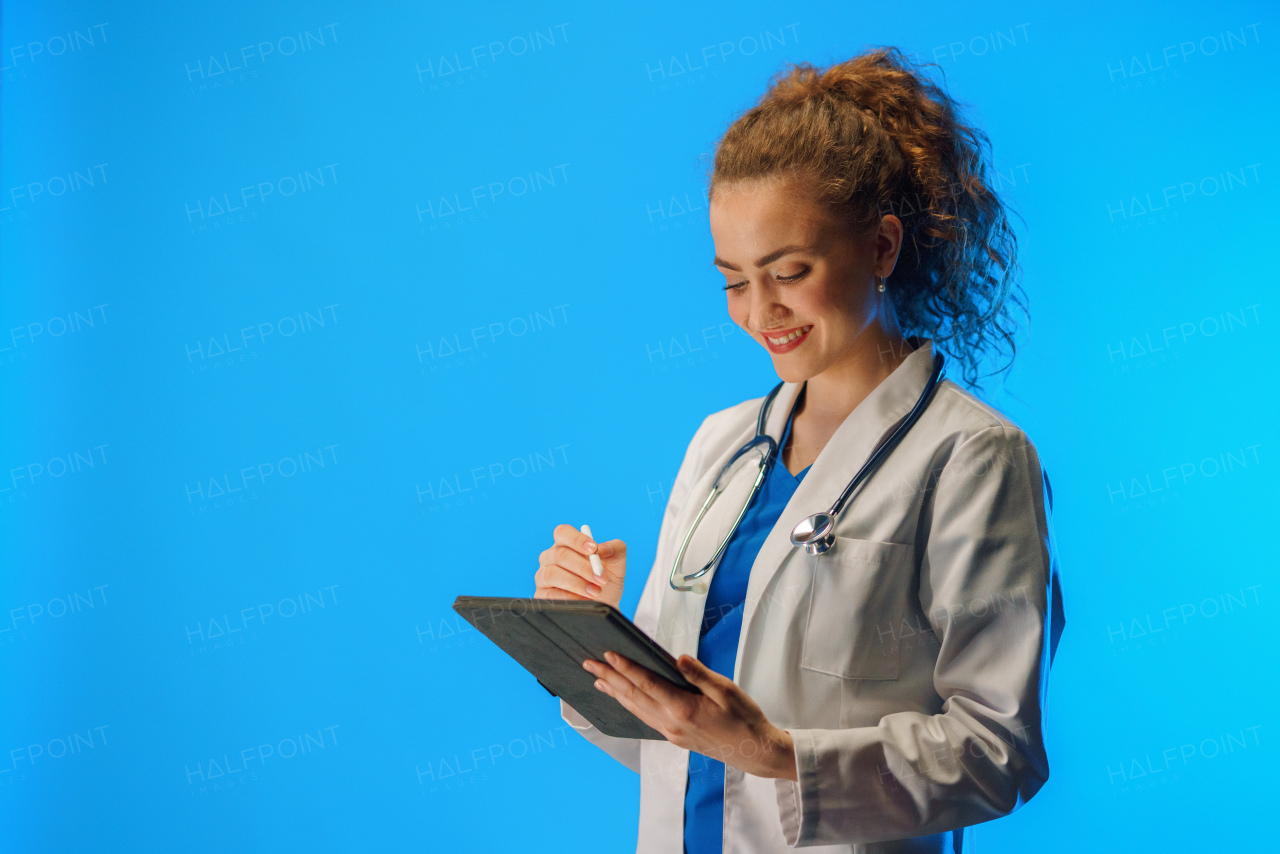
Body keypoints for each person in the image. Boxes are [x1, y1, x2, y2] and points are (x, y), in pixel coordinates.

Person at [533, 46, 1064, 854]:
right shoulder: (720, 446)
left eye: (789, 270)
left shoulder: (973, 459)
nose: (759, 311)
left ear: (882, 247)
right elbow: (670, 747)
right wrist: (590, 640)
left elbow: (999, 753)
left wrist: (777, 755)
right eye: (733, 280)